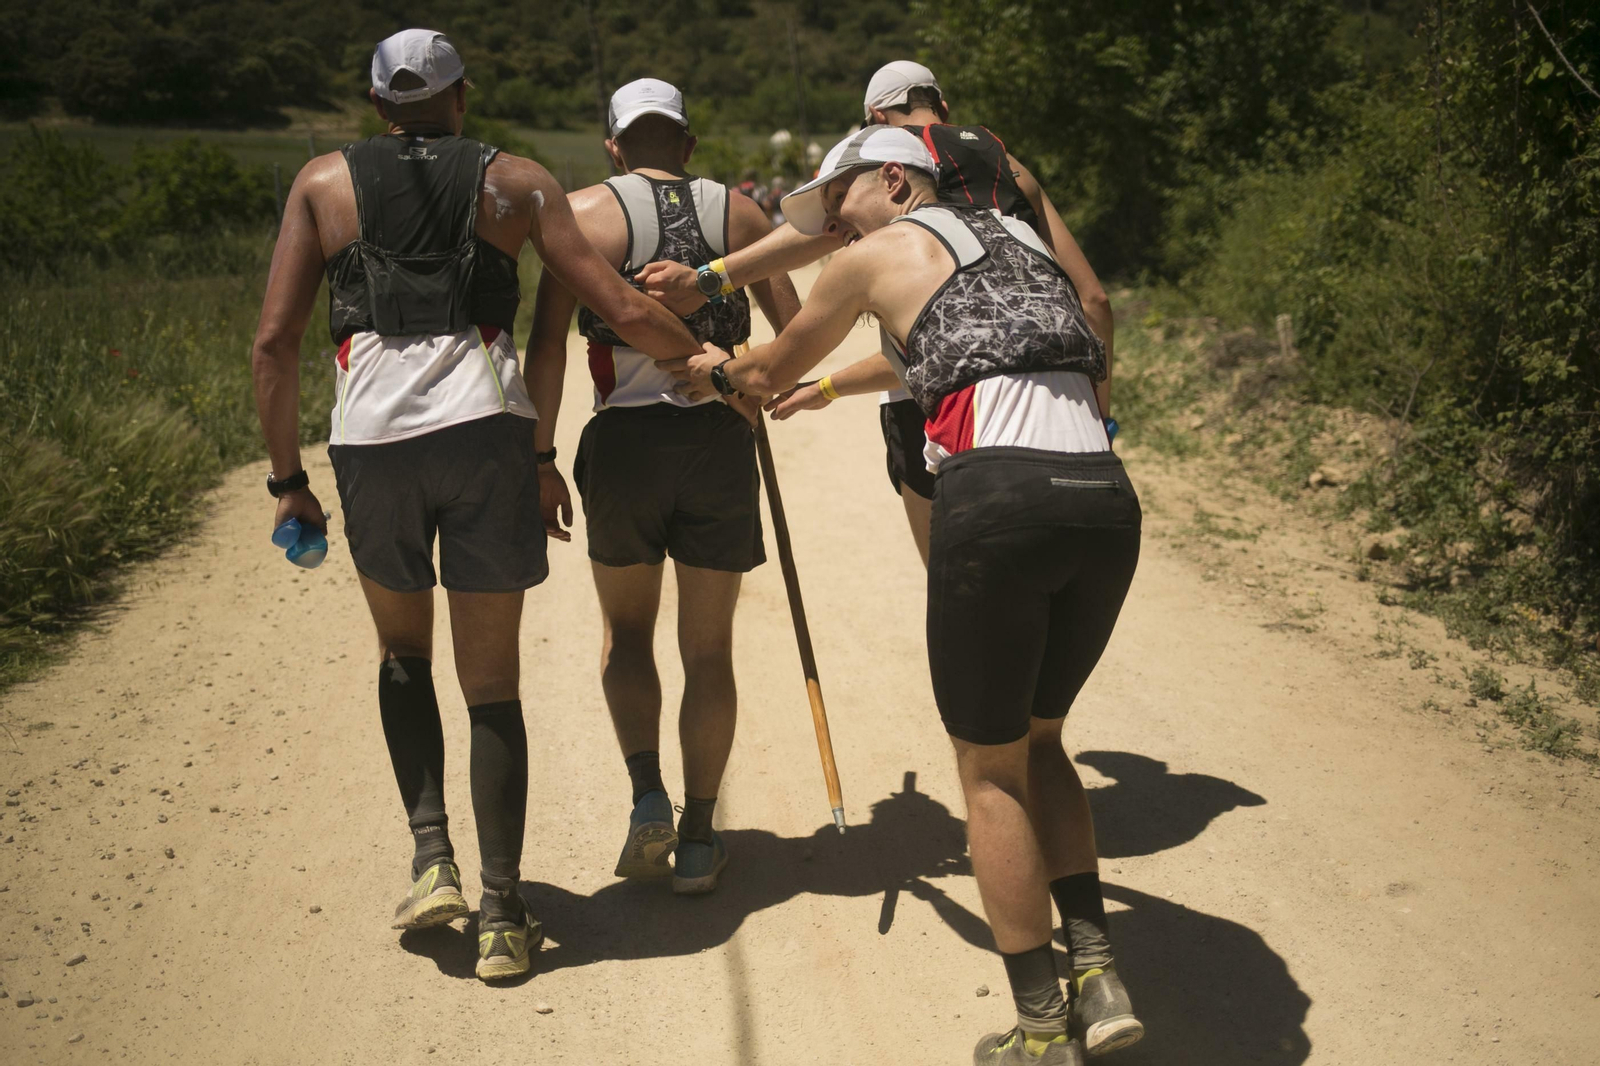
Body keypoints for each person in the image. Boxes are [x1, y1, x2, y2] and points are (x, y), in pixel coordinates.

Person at [663, 127, 1143, 1064]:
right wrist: (840, 387)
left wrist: (711, 372)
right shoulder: (1021, 241)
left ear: (895, 180)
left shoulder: (877, 252)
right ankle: (1099, 970)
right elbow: (968, 346)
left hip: (998, 497)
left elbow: (765, 371)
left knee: (989, 769)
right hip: (1103, 500)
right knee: (1043, 743)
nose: (836, 231)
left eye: (841, 207)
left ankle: (1042, 1026)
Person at [249, 30, 700, 981]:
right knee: (491, 682)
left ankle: (431, 861)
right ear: (461, 99)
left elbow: (275, 343)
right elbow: (613, 305)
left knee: (403, 654)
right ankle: (502, 912)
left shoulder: (322, 184)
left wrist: (288, 479)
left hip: (372, 444)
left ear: (378, 106)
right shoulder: (519, 181)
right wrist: (706, 362)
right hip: (486, 435)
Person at [637, 61, 1112, 566]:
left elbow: (819, 232)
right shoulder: (1007, 166)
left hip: (935, 401)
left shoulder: (901, 159)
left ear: (876, 120)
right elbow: (1095, 305)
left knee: (957, 587)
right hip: (1072, 414)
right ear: (942, 105)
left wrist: (708, 279)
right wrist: (1102, 418)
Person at [525, 79, 800, 895]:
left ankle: (648, 796)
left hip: (622, 447)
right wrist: (750, 390)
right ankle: (702, 833)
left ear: (614, 145)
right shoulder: (743, 215)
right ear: (685, 143)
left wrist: (539, 459)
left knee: (629, 634)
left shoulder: (578, 216)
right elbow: (793, 340)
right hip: (718, 444)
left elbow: (544, 346)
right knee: (708, 649)